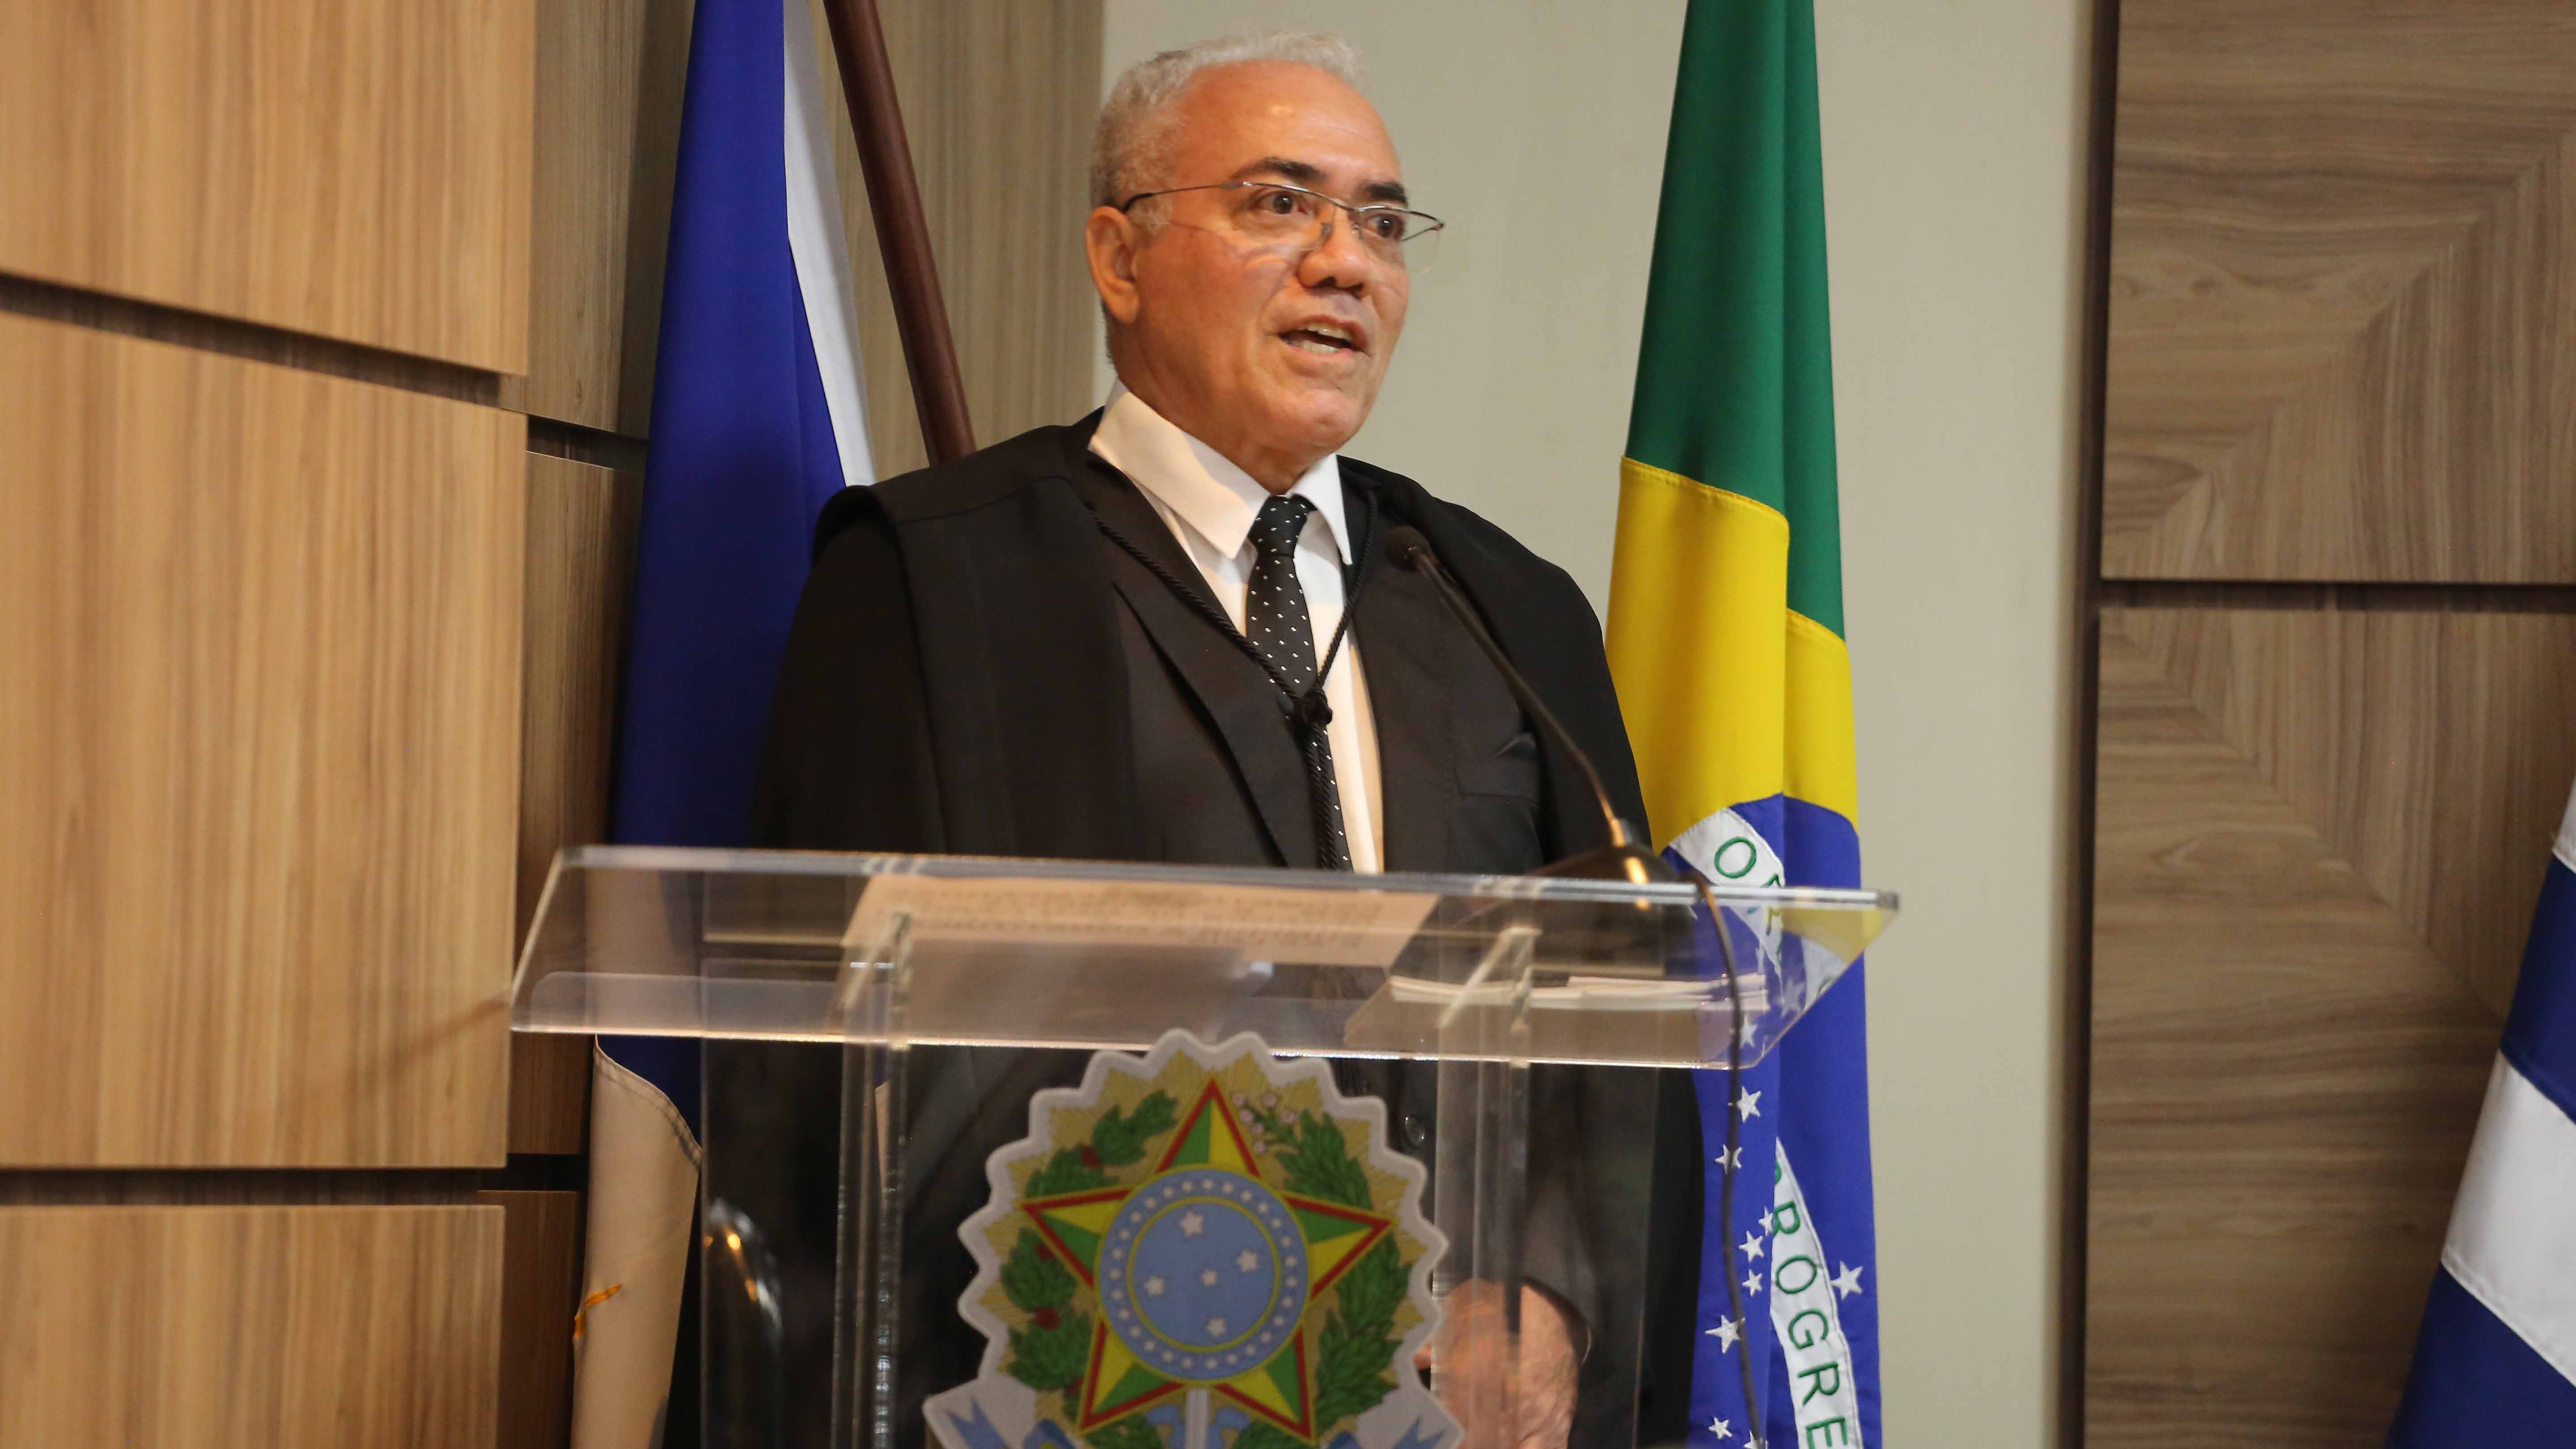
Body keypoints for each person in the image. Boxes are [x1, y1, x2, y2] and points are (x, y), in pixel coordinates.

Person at [752, 32, 1699, 1449]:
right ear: (1119, 258)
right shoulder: (931, 584)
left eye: (1381, 221)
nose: (1347, 261)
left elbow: (1617, 1025)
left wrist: (1547, 1292)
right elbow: (838, 1071)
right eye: (1280, 205)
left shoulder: (1504, 607)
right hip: (1082, 1387)